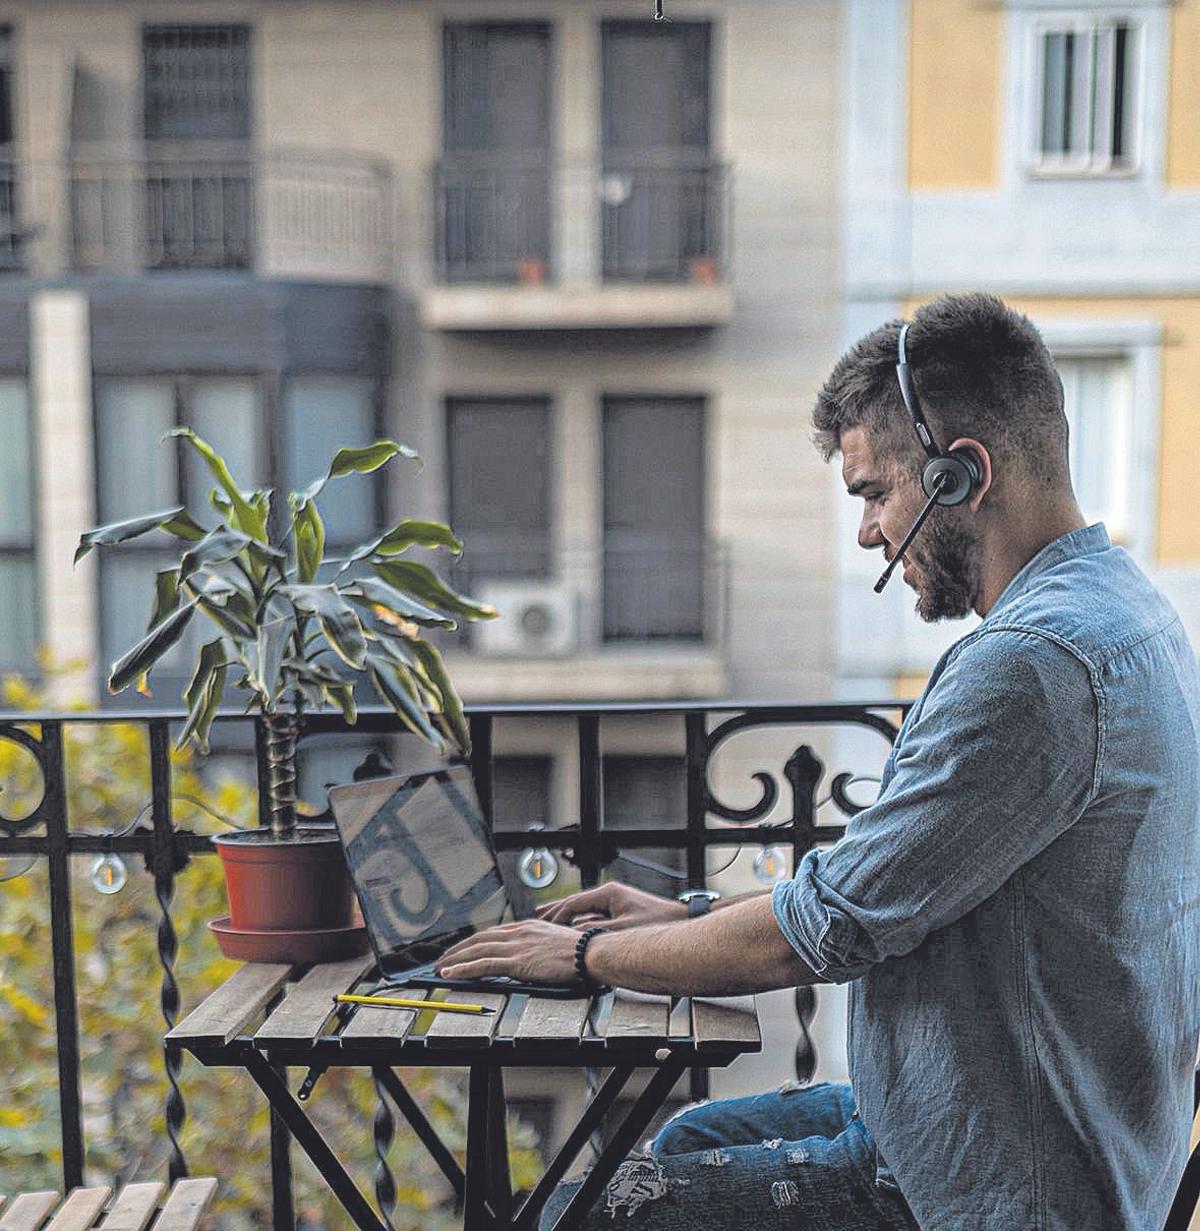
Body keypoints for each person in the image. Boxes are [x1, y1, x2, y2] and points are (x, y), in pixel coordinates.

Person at [438, 293, 1200, 1230]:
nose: (869, 532)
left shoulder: (1033, 666)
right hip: (991, 1120)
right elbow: (884, 880)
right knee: (679, 1145)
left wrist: (588, 955)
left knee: (575, 1212)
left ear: (962, 476)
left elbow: (827, 928)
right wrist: (686, 916)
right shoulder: (1127, 613)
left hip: (1005, 1182)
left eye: (876, 492)